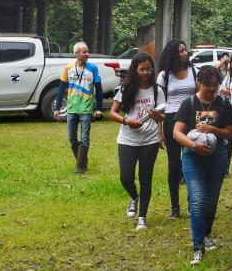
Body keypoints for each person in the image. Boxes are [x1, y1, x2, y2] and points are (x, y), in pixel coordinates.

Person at [173, 65, 232, 265]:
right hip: (193, 157)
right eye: (208, 86)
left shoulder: (223, 104)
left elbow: (229, 132)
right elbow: (177, 132)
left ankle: (206, 232)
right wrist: (193, 145)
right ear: (199, 82)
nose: (211, 90)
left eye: (215, 86)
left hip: (217, 157)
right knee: (198, 200)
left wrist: (212, 129)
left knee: (211, 201)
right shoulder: (189, 103)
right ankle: (197, 247)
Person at [108, 53, 166, 230]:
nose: (146, 72)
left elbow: (163, 116)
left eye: (149, 69)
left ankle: (142, 217)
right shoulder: (126, 89)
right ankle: (134, 197)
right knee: (126, 177)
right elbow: (113, 112)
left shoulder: (157, 90)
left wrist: (159, 121)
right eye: (142, 69)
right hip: (127, 138)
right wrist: (127, 121)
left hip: (149, 140)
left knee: (145, 178)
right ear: (135, 70)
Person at [157, 39, 197, 219]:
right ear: (173, 54)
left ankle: (192, 203)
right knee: (174, 165)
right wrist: (160, 130)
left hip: (191, 119)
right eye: (181, 50)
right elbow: (160, 105)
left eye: (185, 50)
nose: (185, 53)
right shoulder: (164, 76)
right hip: (172, 118)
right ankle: (175, 207)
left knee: (192, 162)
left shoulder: (194, 71)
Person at [54, 41, 103, 174]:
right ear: (76, 53)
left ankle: (79, 167)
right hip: (72, 108)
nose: (87, 54)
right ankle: (82, 162)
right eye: (84, 52)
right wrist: (57, 108)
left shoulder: (93, 68)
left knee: (85, 137)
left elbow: (99, 89)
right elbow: (61, 89)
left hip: (86, 108)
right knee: (72, 138)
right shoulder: (68, 68)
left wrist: (99, 108)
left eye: (87, 51)